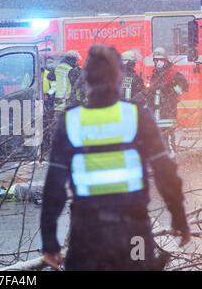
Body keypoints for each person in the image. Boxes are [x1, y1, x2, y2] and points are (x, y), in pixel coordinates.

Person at [41, 44, 190, 271]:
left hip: (87, 233)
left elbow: (54, 186)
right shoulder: (138, 116)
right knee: (139, 266)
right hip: (134, 229)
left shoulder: (70, 121)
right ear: (118, 77)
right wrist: (178, 217)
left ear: (87, 79)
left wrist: (49, 241)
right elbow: (164, 171)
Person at [146, 47, 189, 155]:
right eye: (156, 60)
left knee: (168, 139)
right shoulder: (154, 75)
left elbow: (184, 86)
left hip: (168, 113)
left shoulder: (173, 74)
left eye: (160, 60)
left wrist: (171, 92)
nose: (158, 62)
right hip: (157, 114)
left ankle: (172, 162)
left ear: (165, 60)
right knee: (158, 141)